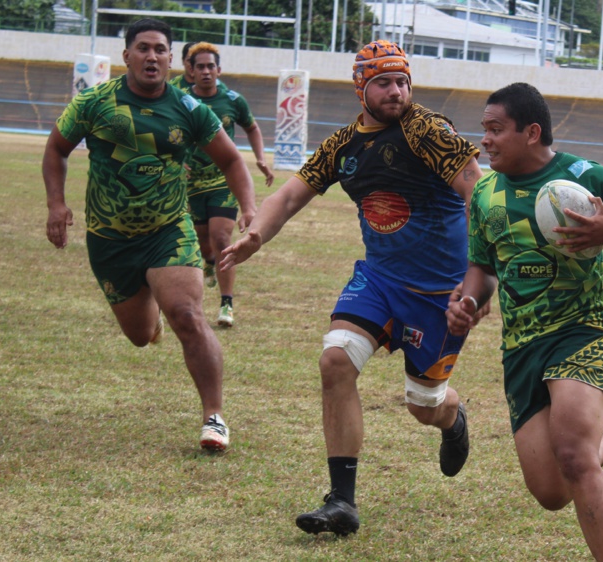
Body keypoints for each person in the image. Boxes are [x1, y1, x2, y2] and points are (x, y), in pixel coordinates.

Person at [220, 40, 484, 536]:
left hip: (439, 295)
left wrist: (478, 279)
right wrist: (256, 235)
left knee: (424, 406)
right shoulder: (342, 146)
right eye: (383, 82)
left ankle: (453, 417)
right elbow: (291, 195)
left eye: (402, 81)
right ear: (361, 88)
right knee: (336, 359)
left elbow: (478, 192)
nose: (396, 91)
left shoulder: (427, 130)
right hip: (379, 280)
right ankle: (342, 501)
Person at [446, 82, 603, 561]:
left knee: (573, 456)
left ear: (531, 132)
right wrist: (468, 301)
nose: (484, 140)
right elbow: (483, 268)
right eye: (484, 129)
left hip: (581, 330)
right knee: (551, 492)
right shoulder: (485, 193)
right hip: (522, 348)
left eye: (495, 129)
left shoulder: (584, 177)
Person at [42, 18, 257, 452]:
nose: (152, 56)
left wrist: (249, 208)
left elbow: (232, 160)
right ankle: (150, 310)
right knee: (140, 335)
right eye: (143, 48)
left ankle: (214, 417)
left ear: (170, 59)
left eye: (160, 49)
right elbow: (56, 149)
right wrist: (56, 204)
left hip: (168, 230)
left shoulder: (189, 108)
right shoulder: (94, 103)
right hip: (110, 238)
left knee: (187, 314)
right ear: (127, 56)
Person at [185, 42, 274, 327]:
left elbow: (252, 127)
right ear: (191, 71)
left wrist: (260, 159)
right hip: (190, 184)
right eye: (200, 67)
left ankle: (226, 305)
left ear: (219, 70)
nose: (206, 71)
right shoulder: (181, 100)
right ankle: (209, 262)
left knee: (221, 238)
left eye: (211, 66)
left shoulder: (233, 100)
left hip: (223, 181)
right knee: (203, 242)